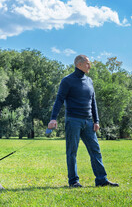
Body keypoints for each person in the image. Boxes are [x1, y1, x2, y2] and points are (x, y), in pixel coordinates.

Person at [48, 54, 119, 188]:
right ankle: (74, 181)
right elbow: (59, 100)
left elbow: (93, 102)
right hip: (73, 120)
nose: (89, 66)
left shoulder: (89, 81)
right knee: (72, 152)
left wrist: (96, 120)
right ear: (79, 64)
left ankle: (101, 180)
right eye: (87, 63)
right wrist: (53, 118)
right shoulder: (67, 81)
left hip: (88, 122)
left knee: (95, 150)